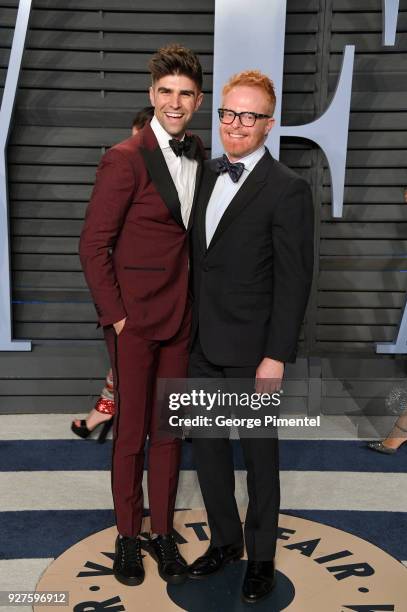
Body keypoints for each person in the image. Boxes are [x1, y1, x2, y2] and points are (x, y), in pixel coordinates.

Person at [79, 45, 204, 586]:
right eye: (166, 92)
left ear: (196, 101)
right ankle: (128, 539)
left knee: (170, 435)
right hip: (133, 324)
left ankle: (161, 536)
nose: (175, 102)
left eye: (185, 94)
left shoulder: (198, 153)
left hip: (181, 318)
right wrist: (118, 318)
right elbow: (92, 245)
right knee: (131, 434)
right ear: (152, 95)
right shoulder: (124, 157)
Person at [187, 70, 314, 604]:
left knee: (260, 460)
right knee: (209, 452)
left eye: (249, 116)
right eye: (227, 113)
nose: (235, 125)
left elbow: (294, 280)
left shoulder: (288, 189)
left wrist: (275, 357)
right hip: (198, 343)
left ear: (269, 123)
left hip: (253, 352)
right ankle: (224, 542)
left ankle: (261, 557)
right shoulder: (204, 173)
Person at [71, 107, 154, 443]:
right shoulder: (120, 168)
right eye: (134, 138)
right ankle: (111, 407)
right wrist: (115, 314)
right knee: (129, 359)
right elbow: (94, 243)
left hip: (173, 288)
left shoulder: (183, 172)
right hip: (127, 288)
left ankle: (119, 410)